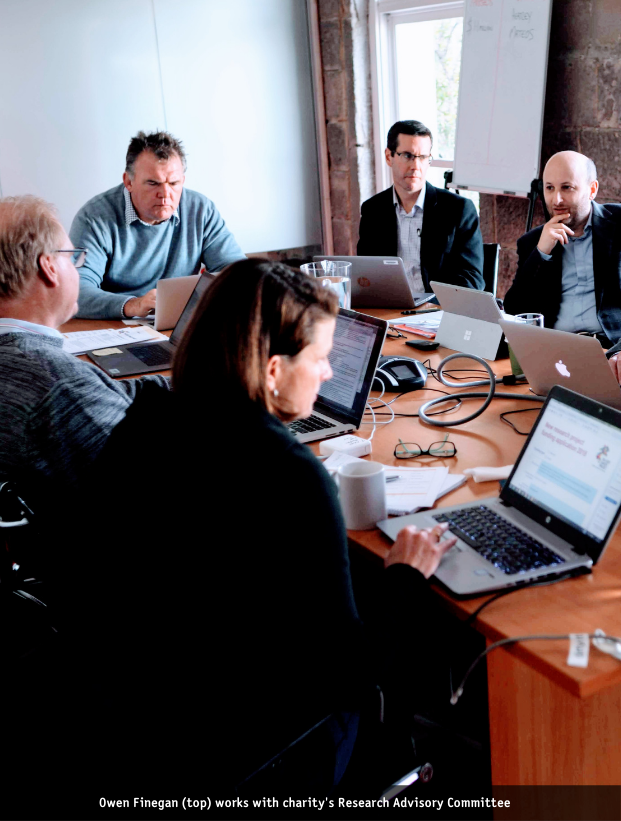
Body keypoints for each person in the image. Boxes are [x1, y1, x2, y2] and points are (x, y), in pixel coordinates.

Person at [49, 259, 456, 805]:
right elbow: (349, 675)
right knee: (416, 631)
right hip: (248, 756)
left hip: (121, 723)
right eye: (320, 358)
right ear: (271, 371)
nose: (330, 374)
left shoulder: (145, 422)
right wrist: (405, 573)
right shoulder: (287, 474)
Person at [0, 195, 169, 493]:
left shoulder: (27, 362)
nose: (77, 267)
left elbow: (105, 392)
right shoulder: (57, 386)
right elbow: (156, 480)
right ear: (49, 266)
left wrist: (207, 383)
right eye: (71, 257)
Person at [70, 130, 244, 319]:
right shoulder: (94, 217)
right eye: (153, 183)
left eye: (174, 183)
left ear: (183, 181)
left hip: (179, 323)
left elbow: (237, 272)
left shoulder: (201, 210)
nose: (165, 194)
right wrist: (132, 305)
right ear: (129, 181)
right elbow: (75, 291)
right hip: (116, 325)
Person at [504, 151, 621, 353]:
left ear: (592, 189)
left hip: (612, 350)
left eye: (567, 188)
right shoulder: (533, 242)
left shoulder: (618, 224)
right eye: (549, 188)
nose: (556, 199)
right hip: (557, 351)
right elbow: (515, 310)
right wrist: (541, 252)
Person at [357, 120, 484, 292]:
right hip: (391, 309)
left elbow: (472, 280)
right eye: (407, 156)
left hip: (438, 311)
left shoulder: (458, 210)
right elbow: (366, 276)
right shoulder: (373, 210)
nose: (416, 166)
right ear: (389, 157)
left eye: (423, 157)